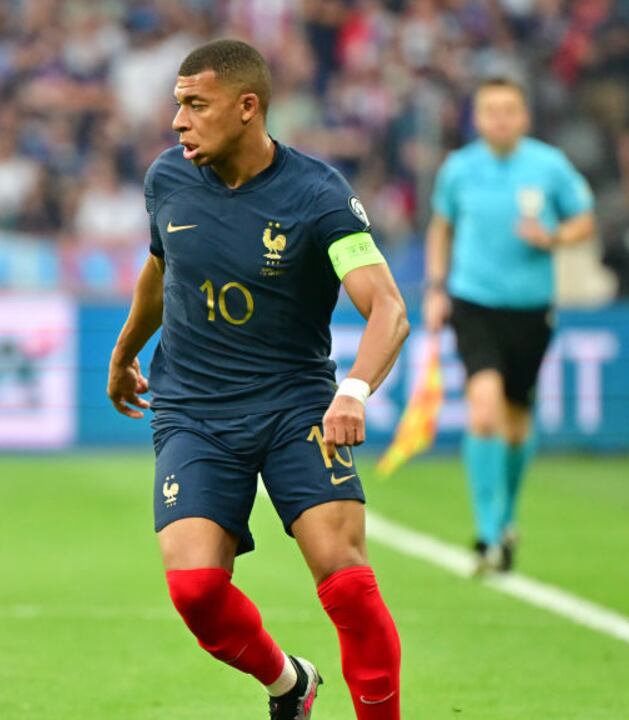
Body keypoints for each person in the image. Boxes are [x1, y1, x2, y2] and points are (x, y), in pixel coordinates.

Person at [107, 39, 409, 720]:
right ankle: (290, 686)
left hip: (294, 407)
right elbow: (163, 269)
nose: (179, 122)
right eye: (176, 106)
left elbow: (387, 308)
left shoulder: (317, 195)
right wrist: (126, 351)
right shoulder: (167, 179)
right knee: (195, 593)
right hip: (192, 410)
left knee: (347, 583)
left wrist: (353, 391)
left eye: (195, 105)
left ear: (247, 108)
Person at [424, 78, 596, 573]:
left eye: (509, 110)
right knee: (483, 410)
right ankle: (486, 532)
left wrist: (554, 236)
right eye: (490, 110)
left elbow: (585, 219)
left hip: (531, 308)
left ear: (524, 116)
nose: (500, 118)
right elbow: (441, 226)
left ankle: (507, 518)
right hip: (474, 301)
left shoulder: (549, 166)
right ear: (476, 118)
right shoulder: (458, 169)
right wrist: (437, 288)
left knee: (518, 423)